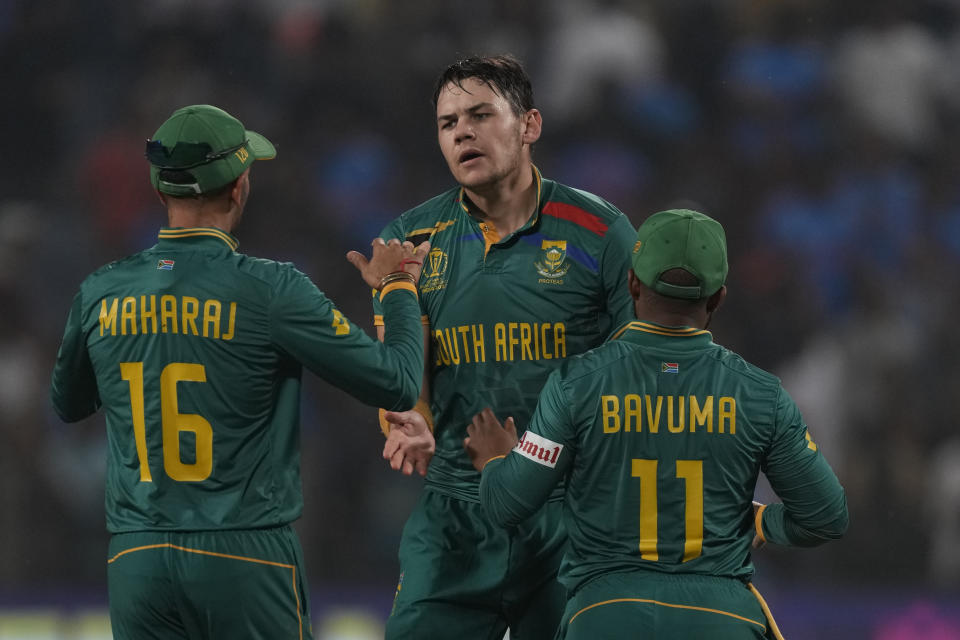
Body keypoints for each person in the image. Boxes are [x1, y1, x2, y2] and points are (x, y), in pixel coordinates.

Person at [50, 104, 429, 640]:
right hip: (242, 550)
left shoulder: (100, 290)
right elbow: (395, 382)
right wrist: (397, 289)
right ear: (240, 187)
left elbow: (68, 405)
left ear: (160, 192)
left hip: (136, 555)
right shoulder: (271, 288)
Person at [463, 208, 849, 640]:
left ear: (632, 284)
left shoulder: (577, 385)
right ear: (718, 298)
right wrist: (762, 523)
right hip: (722, 621)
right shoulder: (761, 395)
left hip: (605, 617)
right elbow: (826, 517)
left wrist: (498, 461)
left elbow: (507, 504)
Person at [372, 55, 638, 639]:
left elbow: (639, 369)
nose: (462, 131)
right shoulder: (409, 242)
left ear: (529, 125)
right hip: (455, 518)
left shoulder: (602, 233)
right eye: (447, 123)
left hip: (572, 517)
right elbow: (399, 366)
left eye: (480, 114)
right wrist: (408, 418)